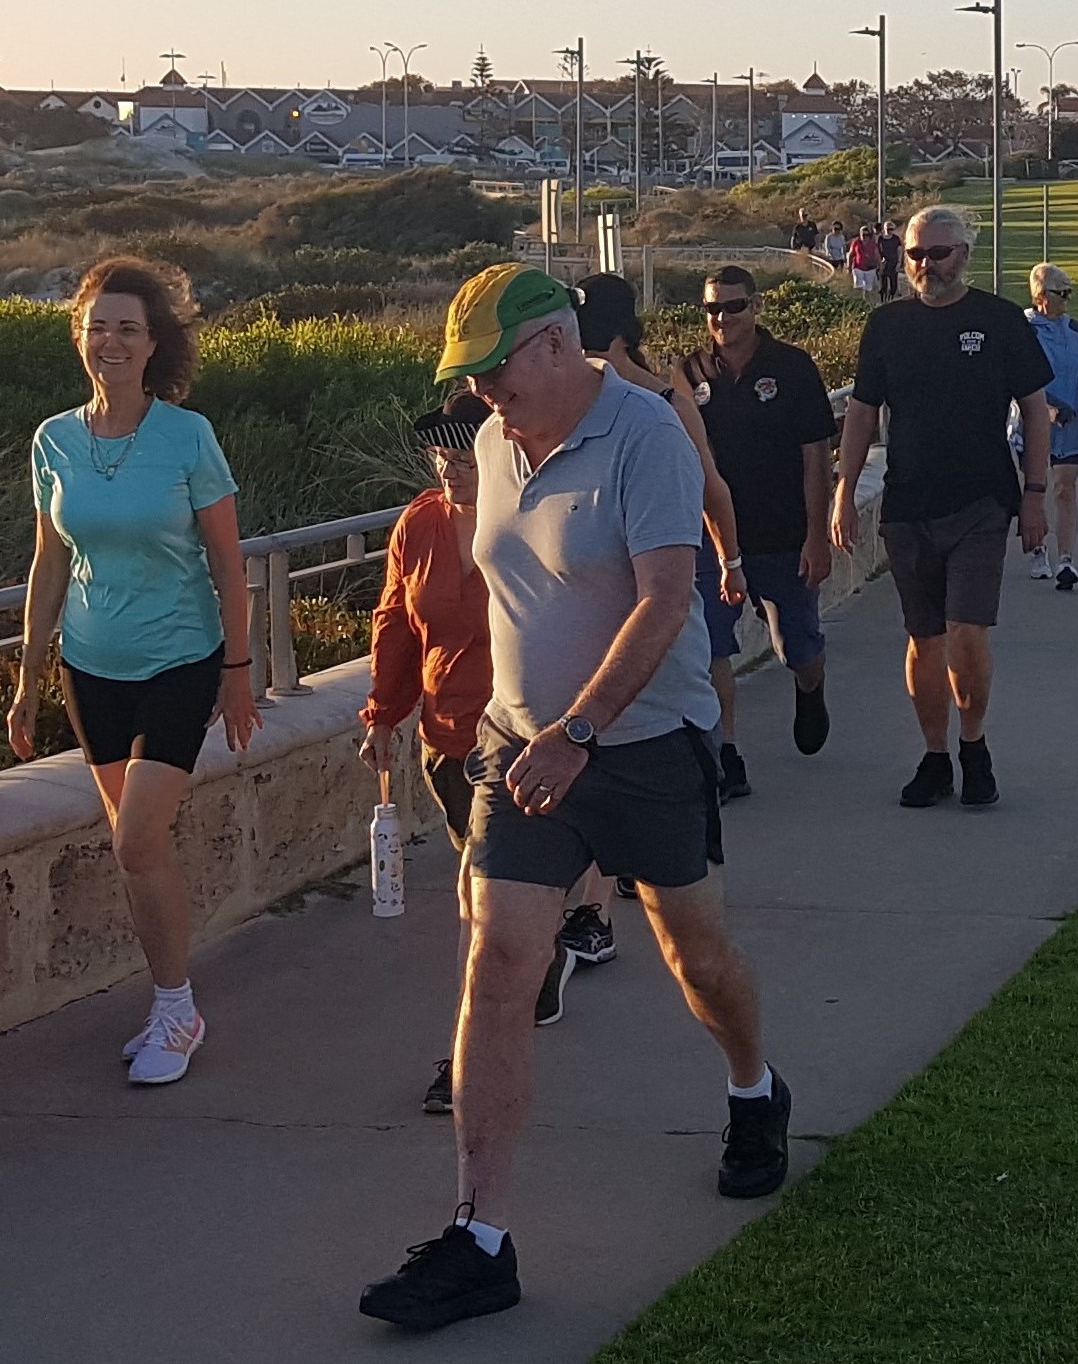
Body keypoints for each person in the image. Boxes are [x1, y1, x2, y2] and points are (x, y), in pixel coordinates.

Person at [361, 265, 789, 1332]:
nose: (481, 395)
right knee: (500, 959)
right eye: (471, 378)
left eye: (493, 371)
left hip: (642, 748)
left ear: (554, 344)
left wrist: (580, 731)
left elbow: (666, 598)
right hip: (519, 749)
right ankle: (478, 1237)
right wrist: (500, 717)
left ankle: (753, 1086)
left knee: (696, 957)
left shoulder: (645, 434)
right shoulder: (494, 442)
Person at [6, 256, 260, 1086]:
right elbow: (49, 561)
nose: (110, 341)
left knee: (137, 839)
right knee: (138, 852)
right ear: (79, 338)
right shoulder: (54, 439)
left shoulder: (187, 437)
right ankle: (168, 1001)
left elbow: (227, 563)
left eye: (127, 328)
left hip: (180, 660)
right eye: (97, 327)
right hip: (91, 667)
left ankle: (177, 1011)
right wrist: (28, 676)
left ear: (154, 344)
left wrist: (237, 670)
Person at [357, 391, 614, 1116]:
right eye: (439, 453)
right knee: (495, 903)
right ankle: (539, 961)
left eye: (464, 455)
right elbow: (396, 622)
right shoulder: (419, 525)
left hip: (522, 738)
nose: (450, 468)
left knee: (478, 900)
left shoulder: (533, 516)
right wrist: (383, 714)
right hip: (446, 741)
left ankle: (466, 1059)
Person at [831, 206, 1053, 809]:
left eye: (938, 253)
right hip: (908, 504)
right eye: (915, 255)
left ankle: (973, 746)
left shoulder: (999, 321)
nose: (925, 265)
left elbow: (1036, 410)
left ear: (965, 255)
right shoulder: (887, 325)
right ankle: (934, 756)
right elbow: (861, 413)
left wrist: (1035, 495)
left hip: (981, 501)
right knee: (924, 640)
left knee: (966, 632)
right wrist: (844, 492)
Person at [573, 271, 752, 794]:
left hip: (667, 553)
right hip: (616, 561)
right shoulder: (583, 403)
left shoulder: (665, 405)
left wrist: (731, 562)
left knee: (703, 654)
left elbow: (712, 489)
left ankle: (721, 751)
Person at [677, 265, 839, 787]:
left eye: (734, 306)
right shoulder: (689, 373)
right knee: (711, 649)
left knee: (796, 648)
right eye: (712, 308)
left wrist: (817, 536)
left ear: (756, 307)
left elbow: (816, 456)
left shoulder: (791, 367)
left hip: (783, 535)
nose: (722, 317)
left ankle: (810, 685)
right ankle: (727, 756)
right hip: (715, 539)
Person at [1014, 264, 1078, 588]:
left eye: (1070, 292)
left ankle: (1066, 559)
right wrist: (1049, 407)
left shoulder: (1075, 330)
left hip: (1071, 422)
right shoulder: (1024, 329)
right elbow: (1021, 378)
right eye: (1061, 292)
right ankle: (1038, 551)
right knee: (1036, 487)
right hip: (1033, 422)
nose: (1067, 298)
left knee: (1065, 489)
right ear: (1041, 296)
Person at [877, 219, 903, 302]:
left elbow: (899, 250)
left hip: (893, 262)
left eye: (892, 229)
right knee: (883, 284)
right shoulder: (880, 238)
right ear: (884, 229)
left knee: (893, 283)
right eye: (888, 229)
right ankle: (883, 300)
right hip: (884, 262)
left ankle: (891, 298)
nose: (890, 231)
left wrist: (899, 262)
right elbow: (877, 250)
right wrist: (880, 261)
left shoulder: (896, 239)